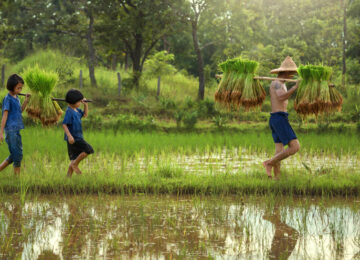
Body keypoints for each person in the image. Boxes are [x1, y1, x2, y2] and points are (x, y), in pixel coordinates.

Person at [263, 56, 300, 180]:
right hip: (279, 118)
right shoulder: (277, 83)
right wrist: (295, 88)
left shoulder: (281, 84)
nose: (292, 76)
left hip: (277, 118)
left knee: (279, 151)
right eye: (291, 73)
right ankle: (269, 163)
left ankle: (277, 178)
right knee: (295, 147)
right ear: (286, 72)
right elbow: (280, 98)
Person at [0, 74, 30, 175]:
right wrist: (1, 132)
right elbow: (4, 115)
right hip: (10, 130)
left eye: (21, 88)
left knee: (16, 154)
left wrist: (26, 101)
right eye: (18, 88)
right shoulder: (8, 99)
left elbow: (20, 111)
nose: (20, 90)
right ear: (11, 87)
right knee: (17, 155)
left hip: (16, 129)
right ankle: (17, 178)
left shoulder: (16, 97)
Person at [62, 89, 93, 177]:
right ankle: (75, 164)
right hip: (74, 138)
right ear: (73, 102)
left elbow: (85, 115)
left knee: (73, 159)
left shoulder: (76, 110)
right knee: (88, 149)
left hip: (78, 136)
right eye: (79, 101)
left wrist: (85, 105)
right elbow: (64, 124)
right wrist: (69, 136)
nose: (80, 103)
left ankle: (68, 178)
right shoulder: (69, 111)